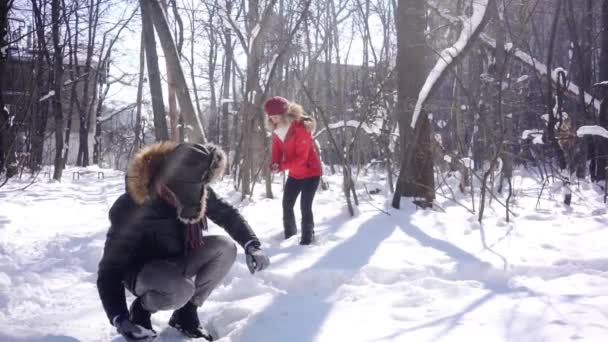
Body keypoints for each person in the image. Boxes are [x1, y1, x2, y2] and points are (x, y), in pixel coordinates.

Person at [97, 142, 270, 341]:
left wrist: (252, 244)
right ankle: (142, 310)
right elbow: (109, 269)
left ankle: (186, 314)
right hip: (142, 272)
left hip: (177, 258)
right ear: (167, 183)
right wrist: (119, 317)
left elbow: (227, 214)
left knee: (225, 248)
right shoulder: (133, 206)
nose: (192, 202)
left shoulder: (195, 188)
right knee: (182, 289)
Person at [264, 96, 322, 245]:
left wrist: (282, 166)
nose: (274, 120)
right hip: (295, 174)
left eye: (276, 117)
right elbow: (276, 150)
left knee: (305, 206)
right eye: (271, 118)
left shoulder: (300, 128)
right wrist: (275, 164)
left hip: (311, 173)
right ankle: (289, 235)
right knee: (287, 204)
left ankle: (306, 240)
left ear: (285, 115)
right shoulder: (277, 130)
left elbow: (302, 158)